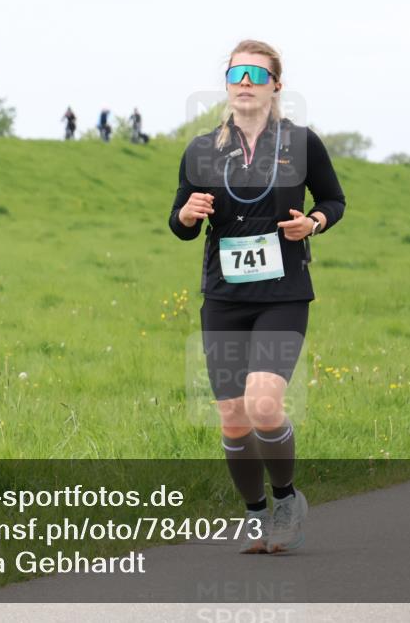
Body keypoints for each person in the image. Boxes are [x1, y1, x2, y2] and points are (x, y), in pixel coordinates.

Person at [168, 39, 346, 554]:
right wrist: (187, 213)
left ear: (275, 86)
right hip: (224, 297)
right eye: (236, 73)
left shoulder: (302, 142)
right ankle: (255, 515)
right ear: (226, 84)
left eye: (256, 73)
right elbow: (179, 223)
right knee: (232, 417)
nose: (244, 81)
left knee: (264, 405)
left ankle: (287, 500)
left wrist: (312, 223)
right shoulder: (202, 149)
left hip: (283, 293)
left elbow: (333, 199)